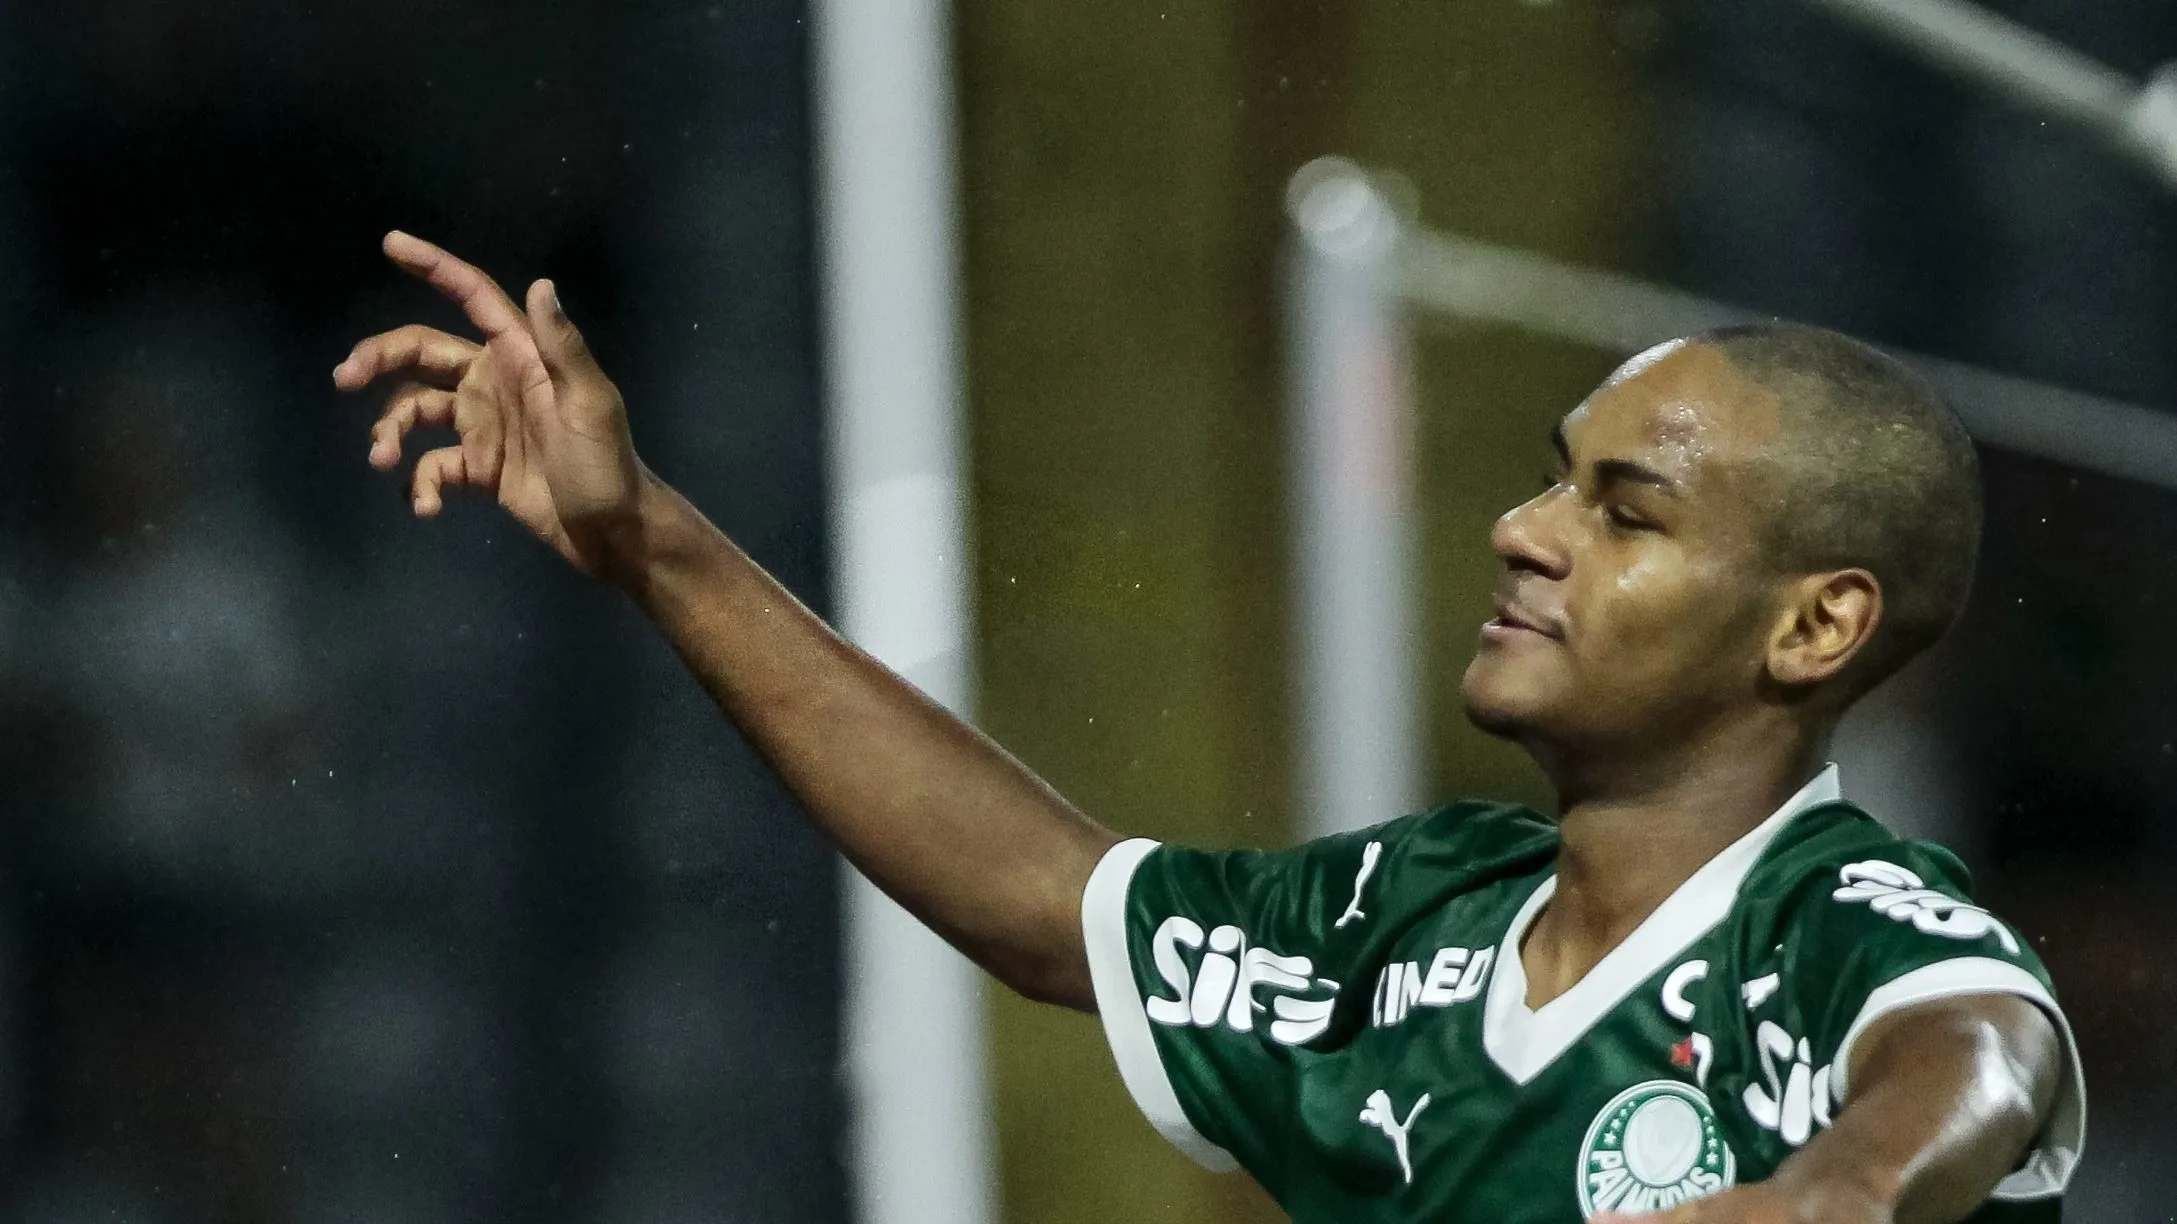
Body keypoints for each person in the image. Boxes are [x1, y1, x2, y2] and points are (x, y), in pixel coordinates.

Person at [333, 232, 2084, 1223]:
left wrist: (1834, 1196)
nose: (1526, 527)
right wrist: (655, 544)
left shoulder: (1856, 938)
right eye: (1551, 476)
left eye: (1624, 510)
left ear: (1819, 622)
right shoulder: (1399, 926)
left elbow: (1979, 1070)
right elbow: (1045, 896)